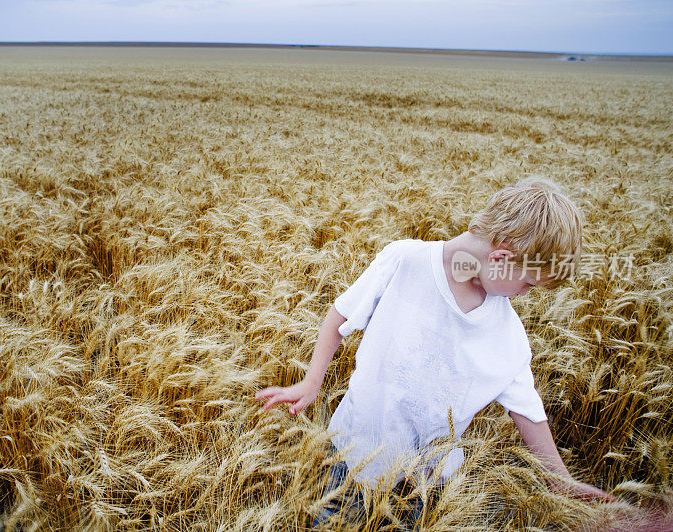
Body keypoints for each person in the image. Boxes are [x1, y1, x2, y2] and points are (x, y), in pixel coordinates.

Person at [254, 177, 616, 528]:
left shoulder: (507, 334)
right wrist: (312, 380)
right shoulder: (405, 261)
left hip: (426, 482)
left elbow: (527, 411)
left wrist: (560, 479)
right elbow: (341, 314)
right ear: (502, 257)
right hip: (351, 452)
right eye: (528, 283)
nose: (524, 294)